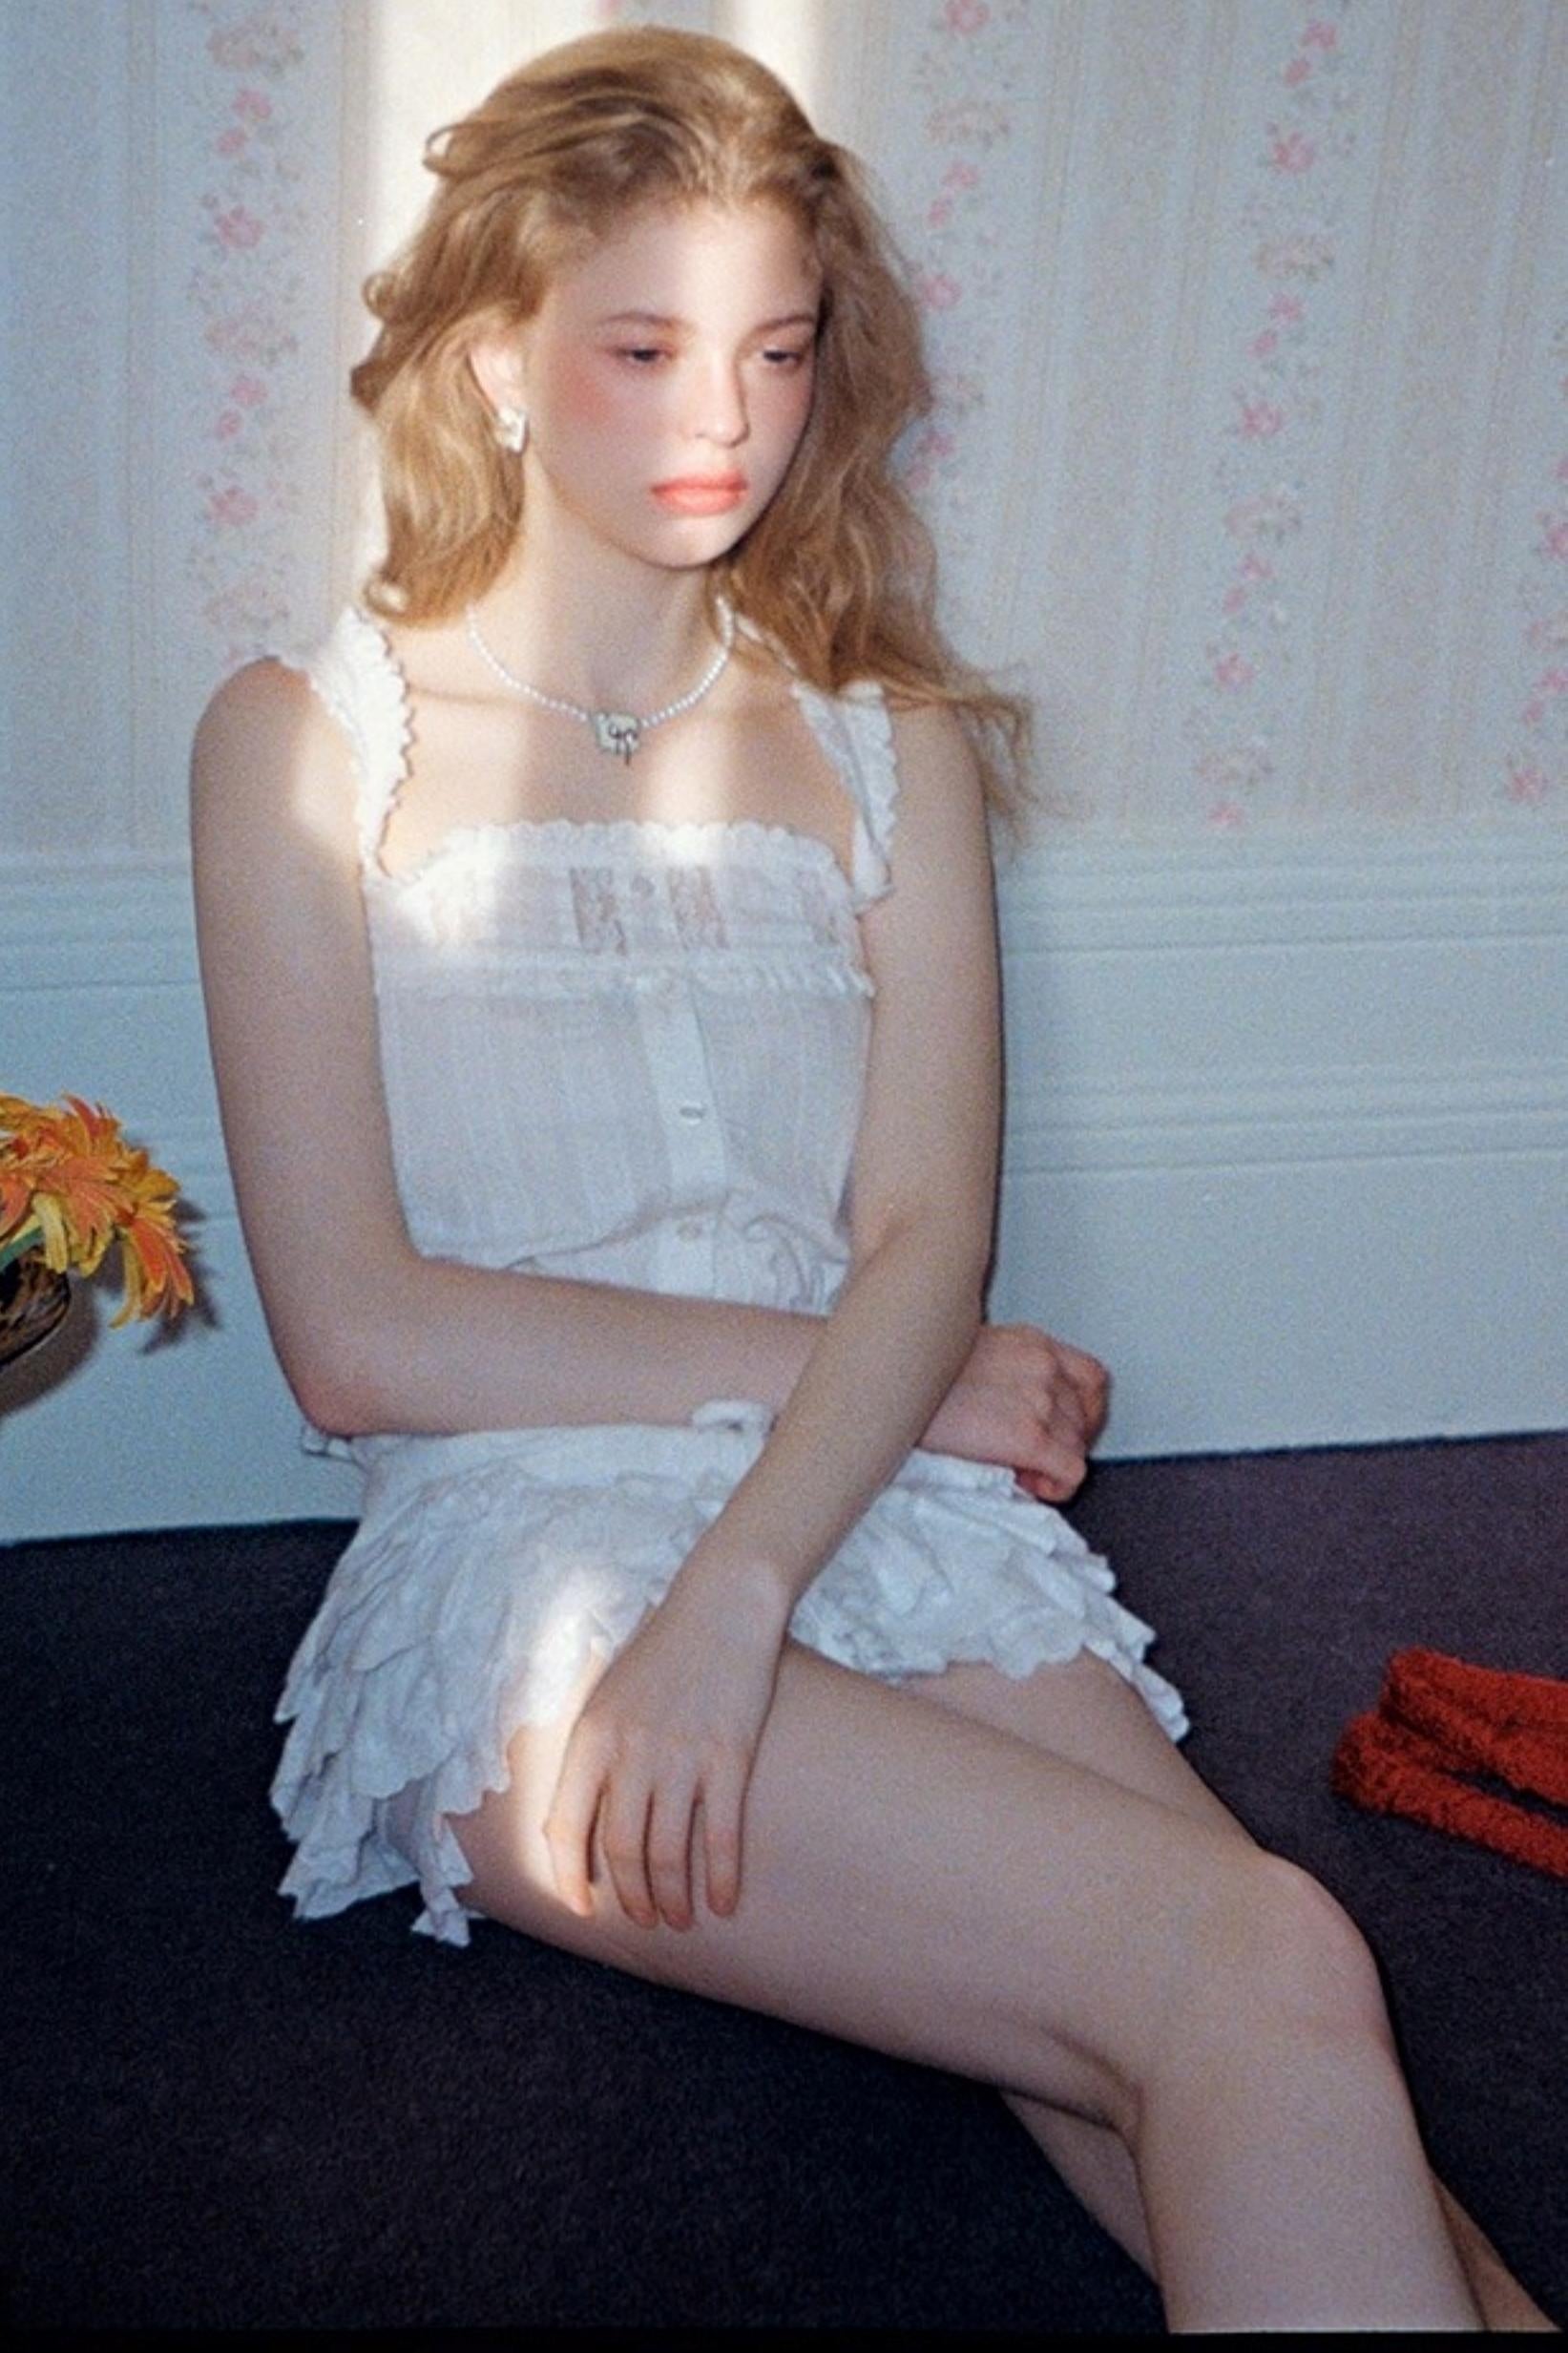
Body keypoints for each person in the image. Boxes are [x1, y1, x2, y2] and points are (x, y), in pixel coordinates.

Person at [191, 27, 1549, 2333]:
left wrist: (750, 1579)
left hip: (881, 1502)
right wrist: (887, 1395)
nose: (723, 417)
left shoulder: (884, 736)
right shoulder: (309, 743)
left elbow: (934, 1240)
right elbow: (360, 1338)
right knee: (1251, 1956)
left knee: (1268, 1998)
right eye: (643, 347)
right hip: (519, 1556)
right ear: (496, 357)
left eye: (778, 348)